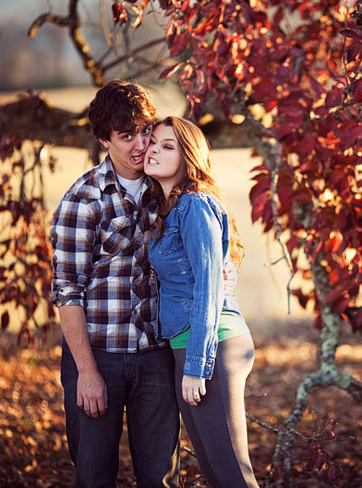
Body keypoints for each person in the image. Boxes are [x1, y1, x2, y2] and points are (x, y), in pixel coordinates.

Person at [50, 81, 180, 488]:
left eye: (146, 131)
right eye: (128, 136)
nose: (142, 145)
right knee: (94, 477)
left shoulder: (167, 191)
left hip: (156, 356)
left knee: (160, 477)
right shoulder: (82, 200)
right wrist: (87, 373)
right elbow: (67, 291)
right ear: (104, 140)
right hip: (98, 358)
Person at [145, 116, 259, 487]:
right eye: (153, 142)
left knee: (232, 474)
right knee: (214, 472)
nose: (153, 150)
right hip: (188, 345)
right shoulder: (169, 209)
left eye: (167, 146)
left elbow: (209, 287)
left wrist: (196, 365)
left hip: (214, 347)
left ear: (188, 156)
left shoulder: (195, 205)